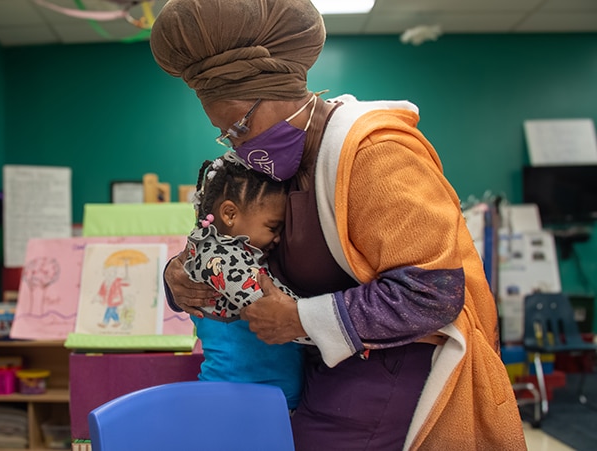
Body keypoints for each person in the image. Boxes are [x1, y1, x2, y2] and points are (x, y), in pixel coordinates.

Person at [149, 1, 526, 450]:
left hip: (392, 367)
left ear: (282, 88)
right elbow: (222, 242)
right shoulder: (260, 167)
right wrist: (178, 275)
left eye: (241, 125)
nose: (238, 145)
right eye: (225, 134)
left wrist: (299, 318)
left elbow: (434, 293)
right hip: (314, 366)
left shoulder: (375, 155)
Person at [183, 151, 308, 409]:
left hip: (270, 402)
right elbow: (275, 306)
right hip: (233, 405)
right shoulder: (215, 256)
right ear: (230, 214)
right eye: (273, 227)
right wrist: (332, 323)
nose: (278, 238)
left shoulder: (245, 253)